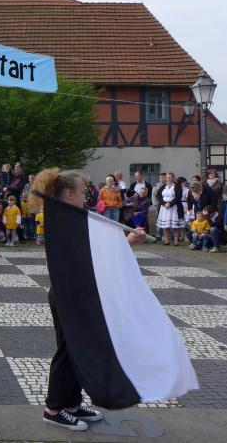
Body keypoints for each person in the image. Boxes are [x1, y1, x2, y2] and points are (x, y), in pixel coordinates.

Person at [31, 168, 145, 431]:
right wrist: (127, 241)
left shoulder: (71, 217)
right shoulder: (64, 220)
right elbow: (91, 258)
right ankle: (53, 408)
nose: (86, 197)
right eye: (83, 192)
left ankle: (71, 404)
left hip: (79, 293)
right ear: (69, 194)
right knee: (68, 351)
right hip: (69, 294)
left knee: (78, 349)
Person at [156, 172, 185, 245]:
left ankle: (176, 241)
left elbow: (178, 197)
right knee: (166, 225)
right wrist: (164, 203)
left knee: (175, 226)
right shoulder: (163, 187)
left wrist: (170, 204)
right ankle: (167, 240)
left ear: (173, 178)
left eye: (170, 177)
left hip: (174, 207)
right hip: (164, 208)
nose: (168, 179)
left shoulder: (178, 186)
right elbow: (158, 196)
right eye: (167, 177)